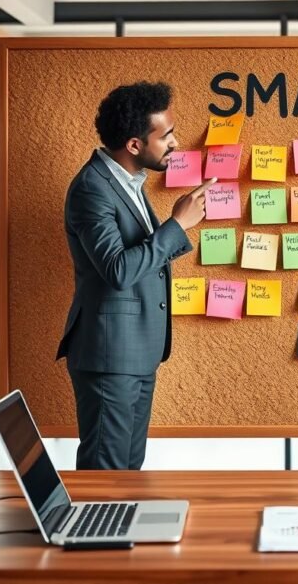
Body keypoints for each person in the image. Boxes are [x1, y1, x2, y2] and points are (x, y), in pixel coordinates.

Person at [55, 81, 216, 470]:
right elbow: (118, 269)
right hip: (110, 355)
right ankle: (92, 532)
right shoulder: (92, 188)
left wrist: (177, 225)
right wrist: (177, 224)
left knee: (128, 469)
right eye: (167, 136)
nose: (175, 143)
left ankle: (117, 532)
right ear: (133, 145)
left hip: (135, 352)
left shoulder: (128, 183)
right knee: (105, 472)